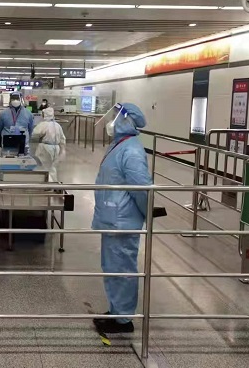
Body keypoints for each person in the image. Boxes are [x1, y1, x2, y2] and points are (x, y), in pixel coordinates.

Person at [92, 103, 152, 334]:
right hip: (113, 217)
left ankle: (124, 319)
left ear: (126, 120)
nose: (111, 121)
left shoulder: (131, 151)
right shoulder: (120, 144)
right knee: (113, 267)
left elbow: (142, 189)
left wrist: (148, 215)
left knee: (122, 268)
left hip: (122, 220)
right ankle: (117, 311)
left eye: (115, 117)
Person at [32, 107, 66, 182]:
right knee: (52, 167)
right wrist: (63, 150)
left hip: (45, 148)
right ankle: (54, 183)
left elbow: (34, 134)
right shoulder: (57, 125)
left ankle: (47, 183)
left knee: (44, 167)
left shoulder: (43, 124)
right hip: (56, 148)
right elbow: (62, 139)